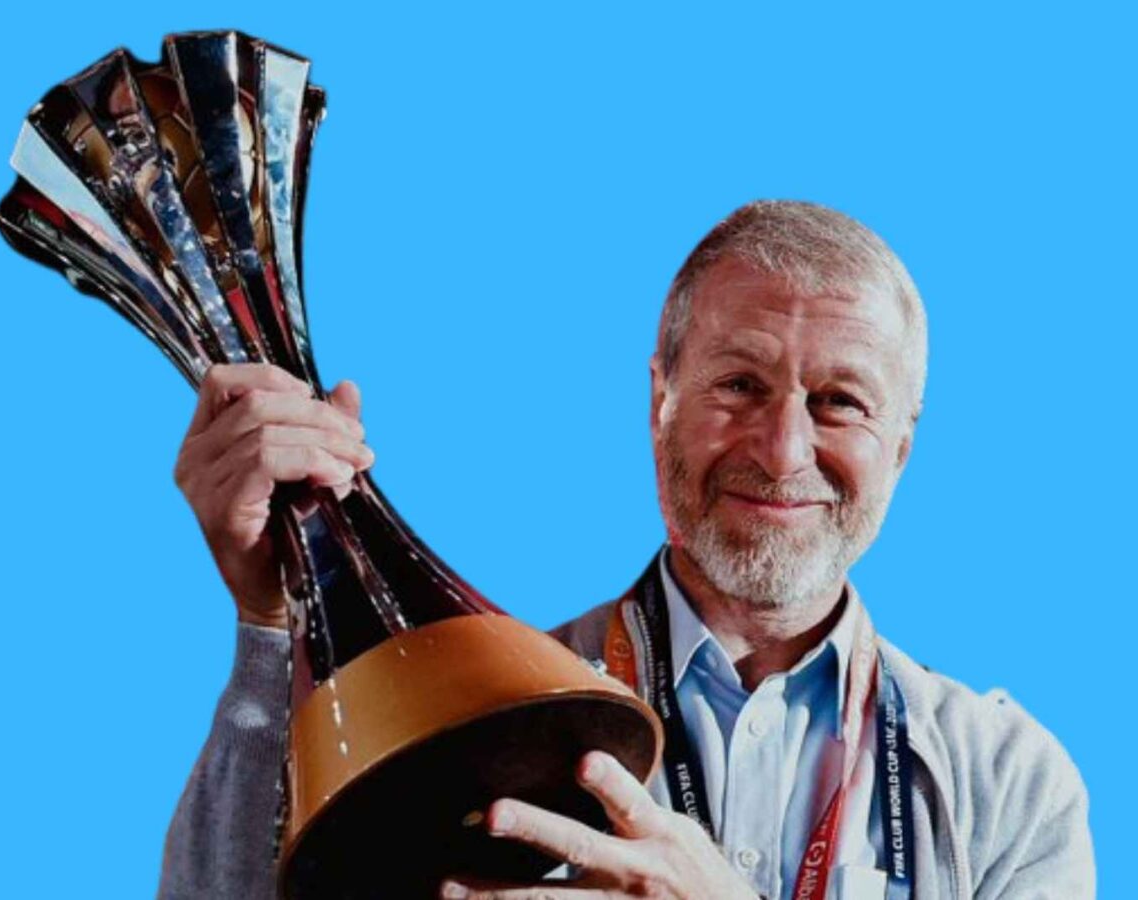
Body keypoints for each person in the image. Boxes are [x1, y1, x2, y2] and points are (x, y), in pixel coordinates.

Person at [158, 201, 1094, 899]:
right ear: (660, 402)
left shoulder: (1004, 783)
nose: (782, 451)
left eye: (840, 401)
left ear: (902, 444)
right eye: (739, 384)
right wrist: (271, 623)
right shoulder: (476, 721)